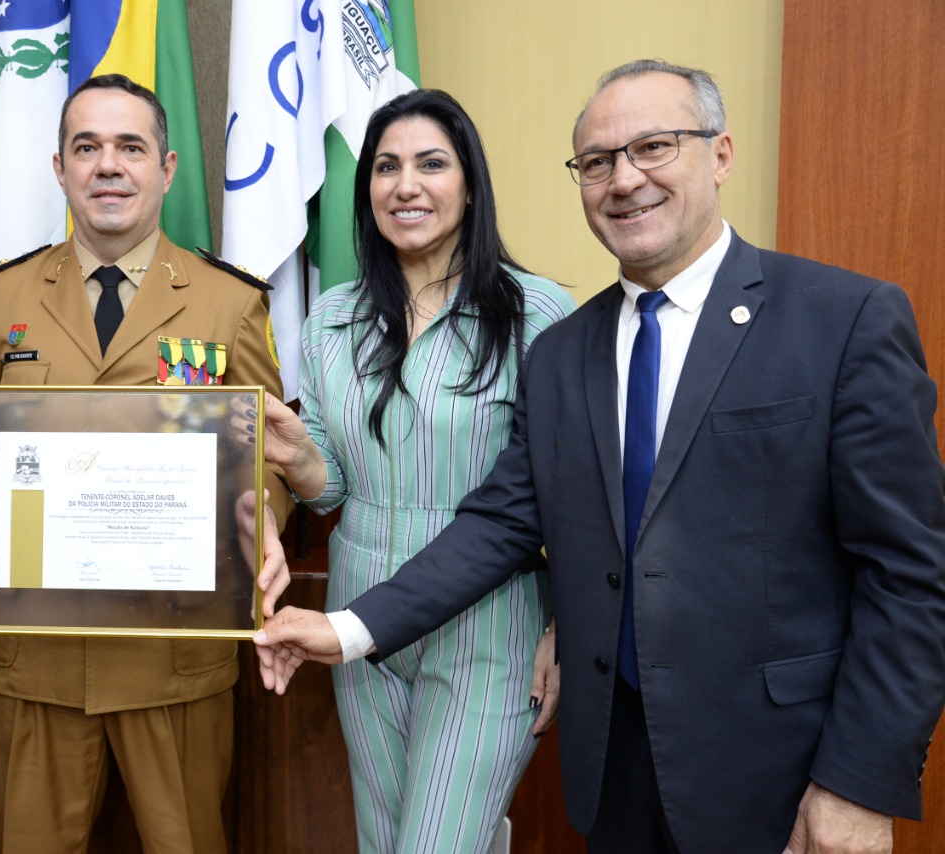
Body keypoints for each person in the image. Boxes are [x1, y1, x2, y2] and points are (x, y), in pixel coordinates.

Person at [254, 60, 945, 854]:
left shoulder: (842, 319)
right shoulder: (567, 352)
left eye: (654, 147)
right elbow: (501, 525)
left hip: (772, 771)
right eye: (598, 162)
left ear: (719, 155)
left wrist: (858, 781)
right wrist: (342, 629)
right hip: (612, 763)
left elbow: (911, 575)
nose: (625, 180)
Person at [0, 73, 292, 853]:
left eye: (130, 146)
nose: (108, 165)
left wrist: (258, 509)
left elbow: (267, 449)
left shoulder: (230, 304)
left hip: (177, 659)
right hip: (36, 661)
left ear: (166, 169)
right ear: (59, 169)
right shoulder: (4, 297)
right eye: (86, 147)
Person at [254, 89, 570, 853]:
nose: (407, 185)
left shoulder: (540, 313)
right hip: (359, 622)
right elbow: (334, 487)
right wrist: (300, 457)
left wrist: (566, 623)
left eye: (432, 164)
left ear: (469, 183)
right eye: (387, 167)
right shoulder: (334, 316)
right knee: (385, 841)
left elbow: (573, 494)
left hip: (491, 626)